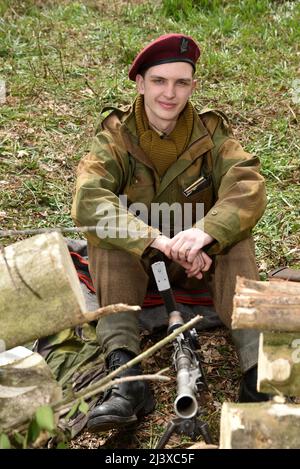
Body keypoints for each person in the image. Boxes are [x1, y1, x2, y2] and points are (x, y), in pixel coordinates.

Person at [71, 33, 269, 433]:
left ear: (192, 86)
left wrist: (206, 233)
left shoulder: (212, 135)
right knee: (106, 234)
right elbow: (89, 200)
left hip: (200, 263)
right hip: (140, 265)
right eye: (159, 81)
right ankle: (125, 377)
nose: (169, 93)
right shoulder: (115, 138)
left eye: (181, 82)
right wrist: (156, 240)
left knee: (237, 237)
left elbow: (246, 184)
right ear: (140, 84)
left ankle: (256, 374)